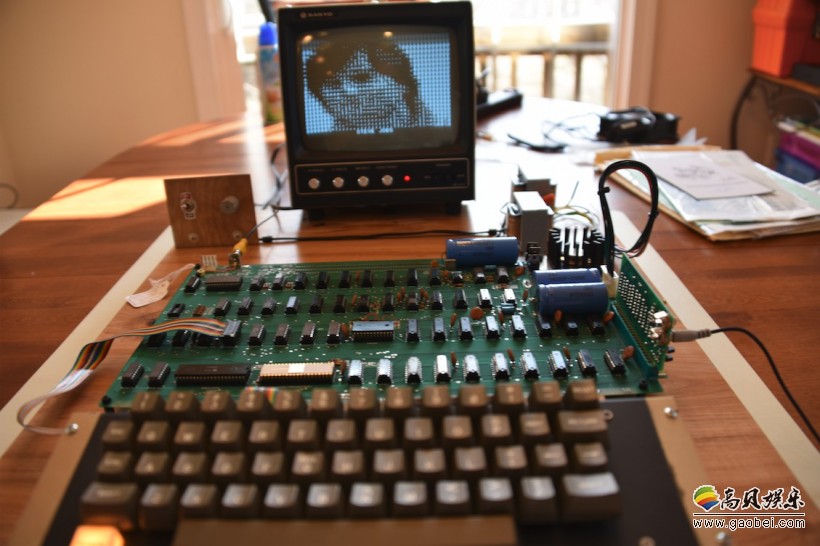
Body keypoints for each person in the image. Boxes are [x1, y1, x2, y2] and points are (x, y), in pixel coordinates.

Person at [305, 37, 433, 133]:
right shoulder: (328, 144)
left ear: (401, 84)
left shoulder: (424, 125)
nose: (349, 91)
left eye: (361, 77)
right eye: (334, 84)